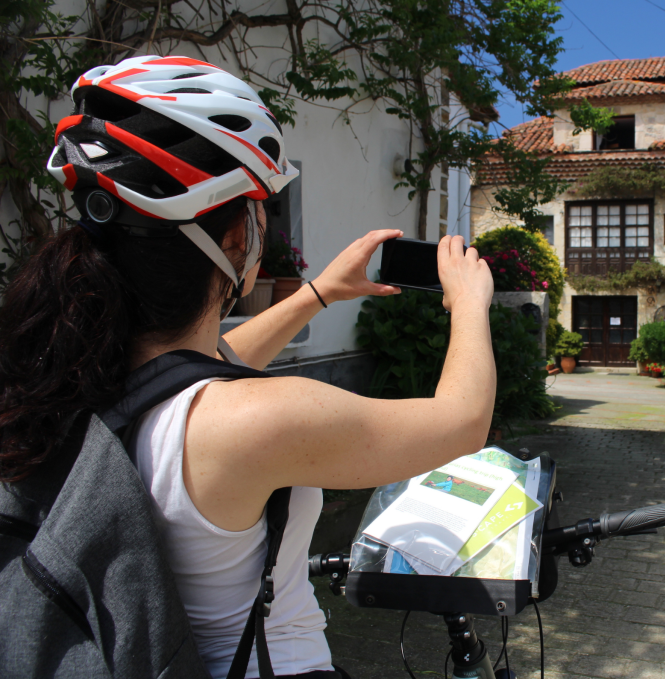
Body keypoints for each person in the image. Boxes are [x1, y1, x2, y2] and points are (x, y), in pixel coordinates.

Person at [0, 56, 495, 678]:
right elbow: (461, 422)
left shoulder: (70, 372)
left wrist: (319, 294)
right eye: (263, 209)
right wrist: (470, 303)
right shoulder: (255, 420)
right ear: (237, 239)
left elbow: (202, 368)